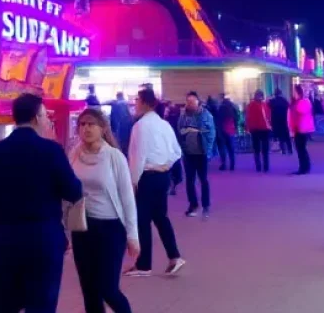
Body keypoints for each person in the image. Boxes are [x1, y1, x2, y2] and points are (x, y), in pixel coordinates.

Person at [0, 92, 83, 312]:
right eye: (45, 116)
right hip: (44, 237)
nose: (47, 121)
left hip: (6, 237)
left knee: (5, 303)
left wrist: (2, 219)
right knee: (42, 302)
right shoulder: (51, 151)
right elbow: (73, 190)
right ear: (36, 118)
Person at [69, 108, 139, 313]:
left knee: (108, 288)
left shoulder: (114, 157)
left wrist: (133, 236)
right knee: (89, 290)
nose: (86, 128)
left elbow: (127, 198)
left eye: (91, 124)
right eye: (82, 124)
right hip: (82, 228)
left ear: (102, 128)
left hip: (110, 229)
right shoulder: (74, 154)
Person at [124, 87, 184, 277]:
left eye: (137, 100)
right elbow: (177, 151)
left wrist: (132, 182)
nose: (135, 104)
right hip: (162, 176)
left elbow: (138, 157)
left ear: (143, 102)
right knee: (160, 217)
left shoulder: (140, 126)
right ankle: (174, 256)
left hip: (147, 177)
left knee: (142, 220)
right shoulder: (164, 124)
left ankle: (144, 265)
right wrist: (165, 165)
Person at [177, 91, 215, 217]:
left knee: (203, 180)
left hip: (202, 153)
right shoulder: (183, 115)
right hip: (188, 154)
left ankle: (206, 205)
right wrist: (182, 146)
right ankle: (193, 205)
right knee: (189, 181)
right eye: (188, 101)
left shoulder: (206, 115)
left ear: (198, 102)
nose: (190, 104)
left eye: (192, 101)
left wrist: (208, 151)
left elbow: (211, 133)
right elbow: (179, 131)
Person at [288, 85, 314, 175]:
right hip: (298, 128)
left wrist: (295, 105)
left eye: (294, 91)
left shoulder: (303, 102)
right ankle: (304, 167)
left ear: (298, 92)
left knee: (301, 149)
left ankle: (304, 168)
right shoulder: (299, 102)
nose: (293, 93)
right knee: (301, 149)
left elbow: (300, 111)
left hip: (302, 128)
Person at [245, 90, 272, 172]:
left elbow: (248, 117)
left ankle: (258, 166)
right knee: (265, 149)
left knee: (256, 149)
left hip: (254, 129)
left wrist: (248, 128)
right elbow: (268, 116)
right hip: (264, 129)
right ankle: (266, 167)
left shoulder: (250, 105)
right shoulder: (264, 105)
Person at [215, 95, 237, 171]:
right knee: (231, 149)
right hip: (231, 130)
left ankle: (223, 164)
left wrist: (219, 130)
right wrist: (235, 128)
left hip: (223, 131)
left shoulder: (221, 109)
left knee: (222, 148)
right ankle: (232, 165)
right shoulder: (232, 108)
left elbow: (218, 121)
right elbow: (236, 119)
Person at [269, 89, 292, 155]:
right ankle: (290, 149)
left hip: (276, 121)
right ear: (281, 93)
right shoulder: (284, 101)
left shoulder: (272, 101)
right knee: (287, 136)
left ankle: (283, 150)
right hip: (284, 120)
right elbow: (289, 107)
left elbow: (268, 104)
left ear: (275, 94)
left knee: (280, 137)